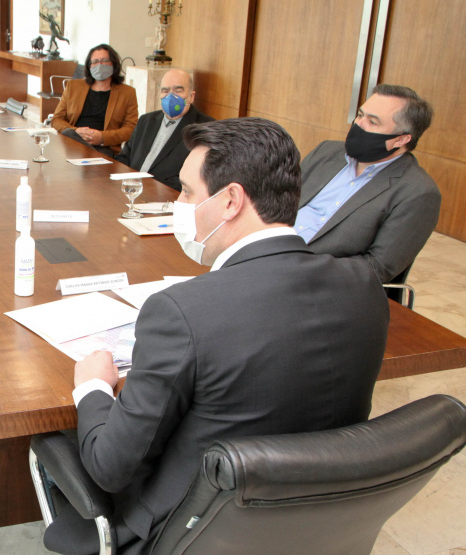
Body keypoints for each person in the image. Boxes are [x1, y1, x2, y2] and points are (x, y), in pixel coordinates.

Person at [45, 118, 389, 555]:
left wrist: (93, 385)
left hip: (193, 531)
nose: (179, 202)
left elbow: (110, 469)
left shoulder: (183, 312)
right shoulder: (364, 285)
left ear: (230, 201)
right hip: (319, 525)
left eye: (187, 192)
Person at [294, 84, 441, 283]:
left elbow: (379, 267)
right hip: (264, 251)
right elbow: (276, 202)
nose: (359, 124)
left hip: (315, 280)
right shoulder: (327, 152)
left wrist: (295, 266)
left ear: (401, 139)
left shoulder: (418, 193)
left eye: (372, 122)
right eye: (360, 115)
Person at [114, 68, 214, 190]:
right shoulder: (146, 120)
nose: (170, 96)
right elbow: (124, 157)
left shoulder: (205, 128)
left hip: (166, 196)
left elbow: (196, 177)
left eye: (178, 90)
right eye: (165, 91)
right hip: (131, 190)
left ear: (191, 96)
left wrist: (150, 186)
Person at [50, 44, 138, 157]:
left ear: (113, 63)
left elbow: (131, 128)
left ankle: (90, 153)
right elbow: (56, 119)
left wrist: (102, 137)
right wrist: (76, 131)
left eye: (104, 61)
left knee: (72, 139)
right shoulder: (73, 86)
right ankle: (88, 152)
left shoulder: (127, 92)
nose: (99, 65)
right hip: (73, 143)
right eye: (95, 62)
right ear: (89, 66)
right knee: (68, 133)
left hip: (103, 147)